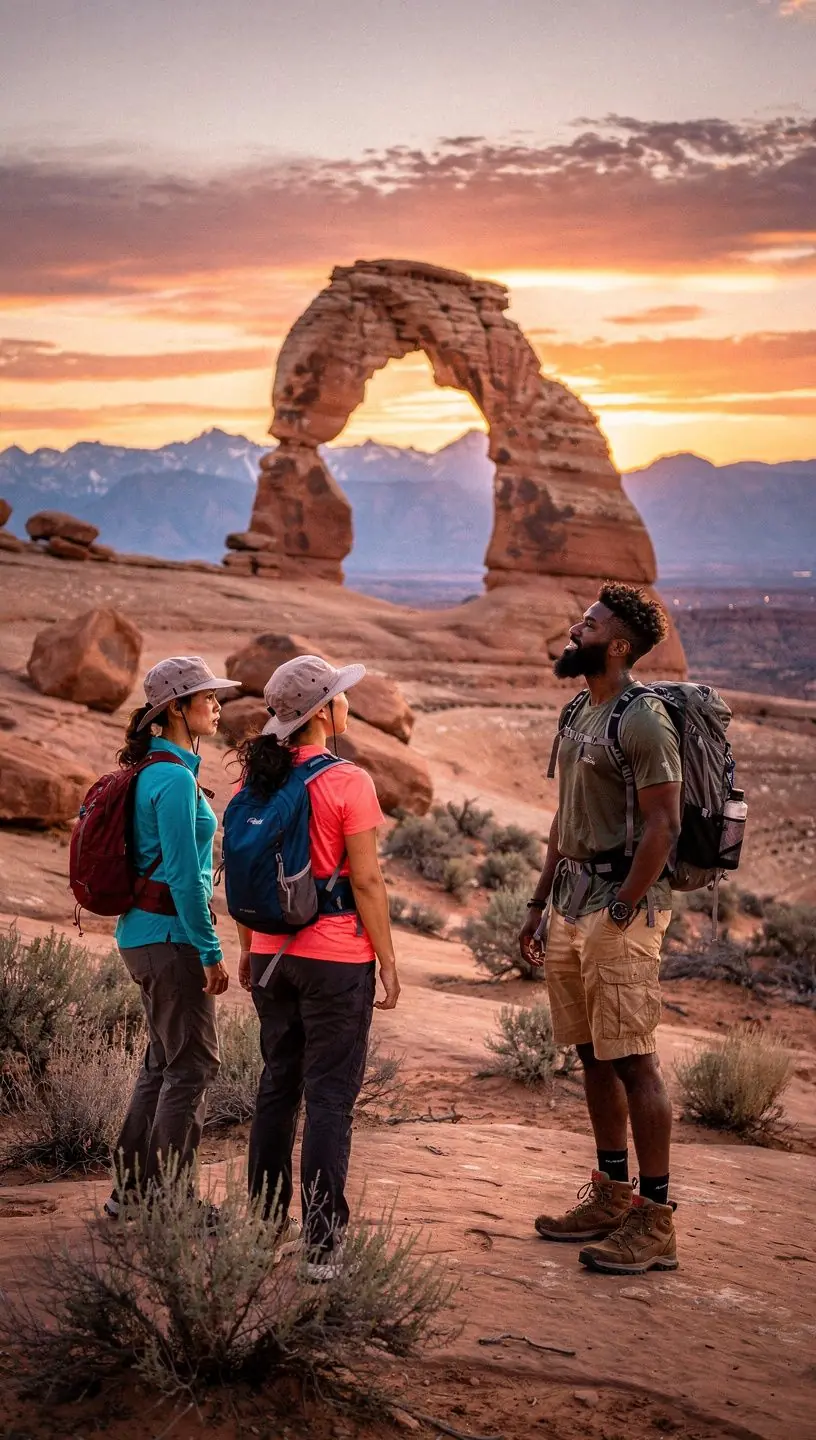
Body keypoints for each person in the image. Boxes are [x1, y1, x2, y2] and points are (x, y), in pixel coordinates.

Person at [519, 583, 682, 1275]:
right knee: (591, 1053)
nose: (574, 630)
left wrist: (623, 905)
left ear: (617, 645)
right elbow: (565, 819)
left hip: (622, 909)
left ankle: (656, 1219)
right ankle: (611, 1194)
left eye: (588, 625)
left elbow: (664, 823)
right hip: (571, 901)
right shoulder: (577, 709)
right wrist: (537, 903)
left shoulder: (643, 719)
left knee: (634, 1058)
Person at [233, 655, 400, 1281]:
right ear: (323, 712)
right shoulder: (348, 780)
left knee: (278, 1086)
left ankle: (263, 1230)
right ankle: (323, 1247)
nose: (347, 702)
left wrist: (248, 948)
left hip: (272, 954)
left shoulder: (259, 780)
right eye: (340, 694)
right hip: (335, 959)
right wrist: (387, 960)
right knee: (329, 1098)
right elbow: (368, 881)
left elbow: (243, 873)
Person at [105, 656, 238, 1215]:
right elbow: (185, 880)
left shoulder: (153, 770)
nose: (217, 706)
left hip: (141, 936)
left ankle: (132, 1193)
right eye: (207, 698)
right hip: (171, 939)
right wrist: (210, 951)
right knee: (192, 1066)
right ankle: (174, 1204)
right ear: (177, 709)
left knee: (163, 1064)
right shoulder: (174, 779)